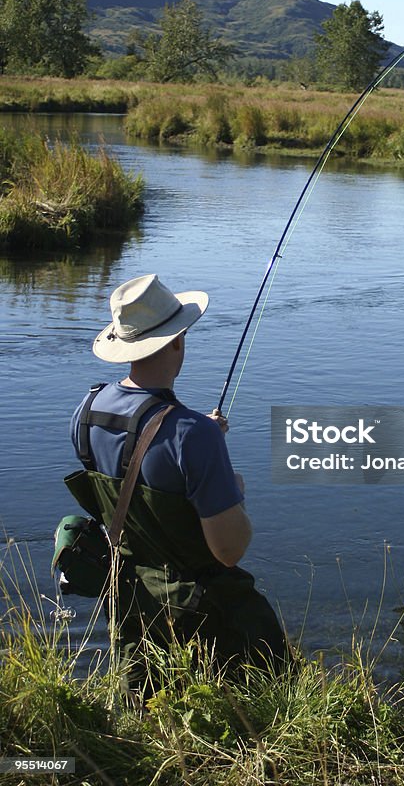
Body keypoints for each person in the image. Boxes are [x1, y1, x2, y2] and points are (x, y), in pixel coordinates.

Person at [66, 273, 286, 691]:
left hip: (133, 607)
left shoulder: (86, 411)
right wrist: (233, 490)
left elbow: (137, 445)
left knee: (145, 723)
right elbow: (228, 551)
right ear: (178, 339)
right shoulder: (194, 436)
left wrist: (197, 436)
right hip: (202, 618)